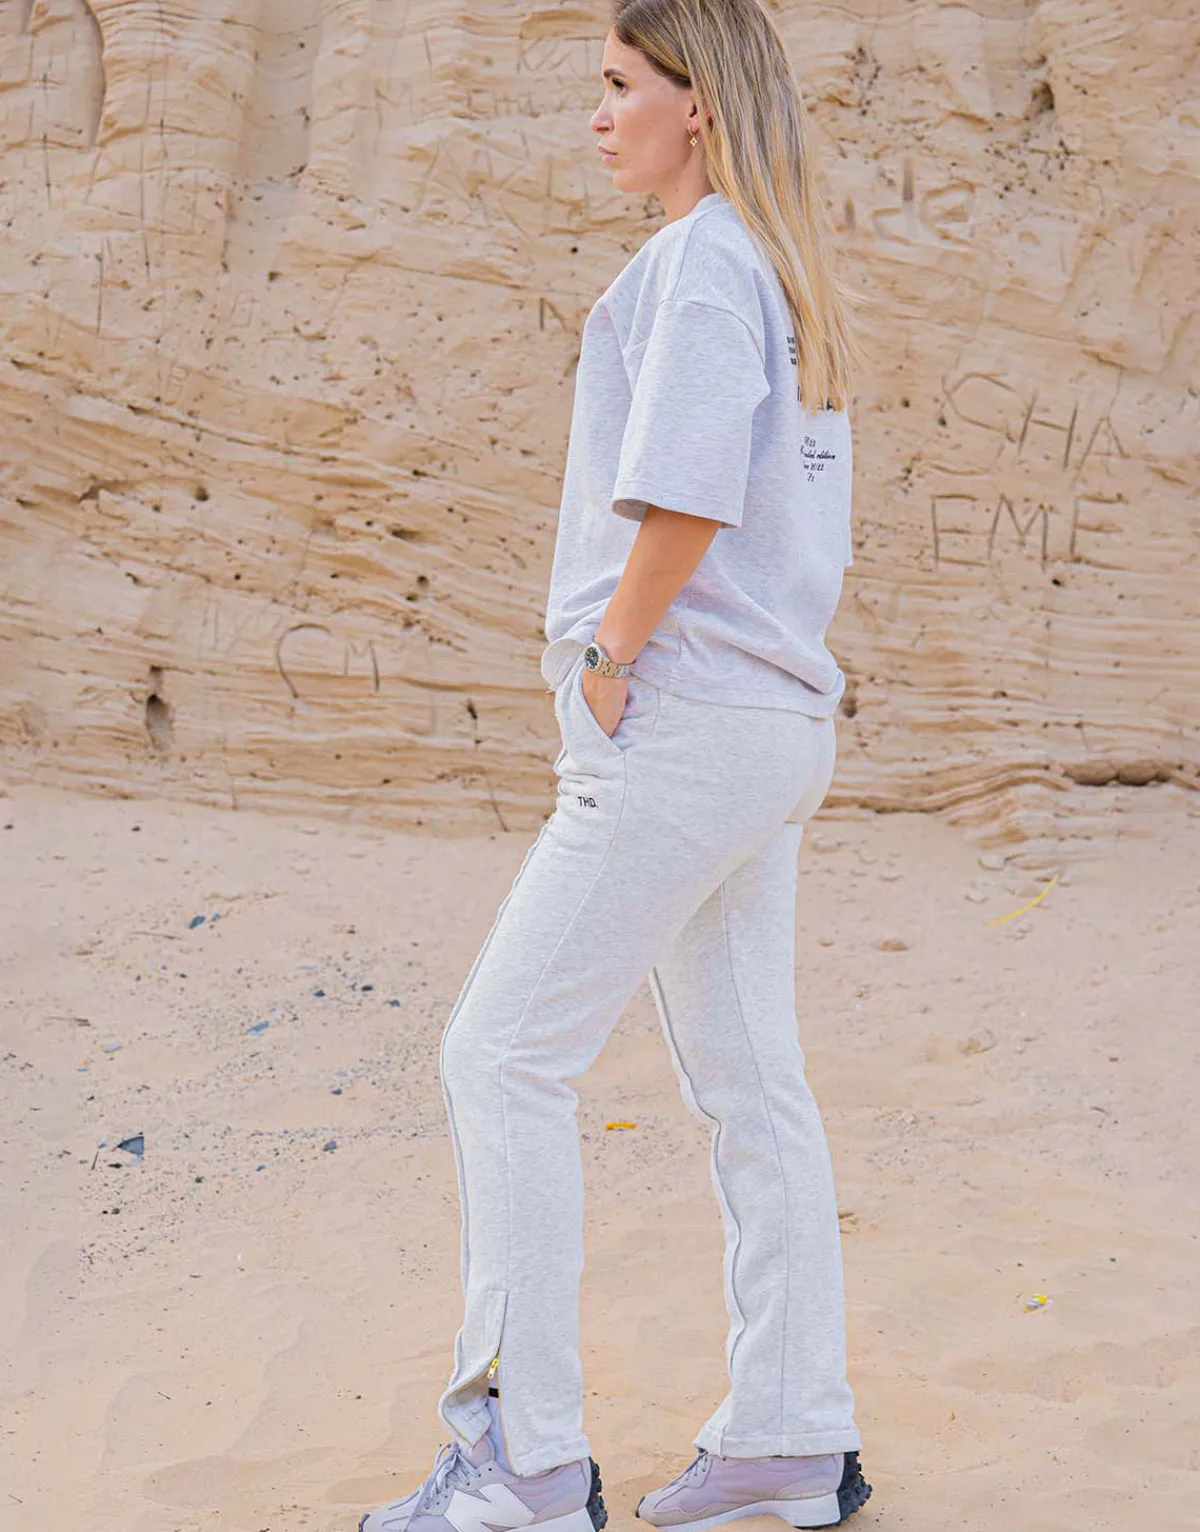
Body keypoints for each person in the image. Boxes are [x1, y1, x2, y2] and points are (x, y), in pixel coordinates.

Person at [359, 2, 874, 1529]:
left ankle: (523, 1462)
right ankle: (791, 1433)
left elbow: (688, 499)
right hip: (770, 731)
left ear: (695, 102)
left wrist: (605, 659)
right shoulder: (778, 270)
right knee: (753, 1084)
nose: (597, 115)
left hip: (683, 723)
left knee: (500, 1055)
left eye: (618, 85)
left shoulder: (704, 262)